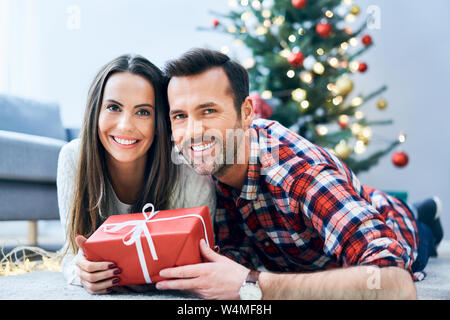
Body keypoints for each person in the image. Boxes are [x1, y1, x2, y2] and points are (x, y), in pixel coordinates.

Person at [155, 48, 444, 300]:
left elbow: (394, 285)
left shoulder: (299, 175)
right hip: (303, 237)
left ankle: (422, 217)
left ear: (246, 113)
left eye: (208, 111)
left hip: (392, 222)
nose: (192, 132)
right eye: (180, 116)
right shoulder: (199, 166)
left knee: (418, 238)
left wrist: (251, 284)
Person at [56, 54, 216, 294]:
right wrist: (80, 271)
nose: (125, 125)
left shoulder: (191, 175)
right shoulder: (73, 158)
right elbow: (70, 255)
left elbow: (202, 268)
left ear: (159, 121)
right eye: (113, 107)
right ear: (95, 112)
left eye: (143, 112)